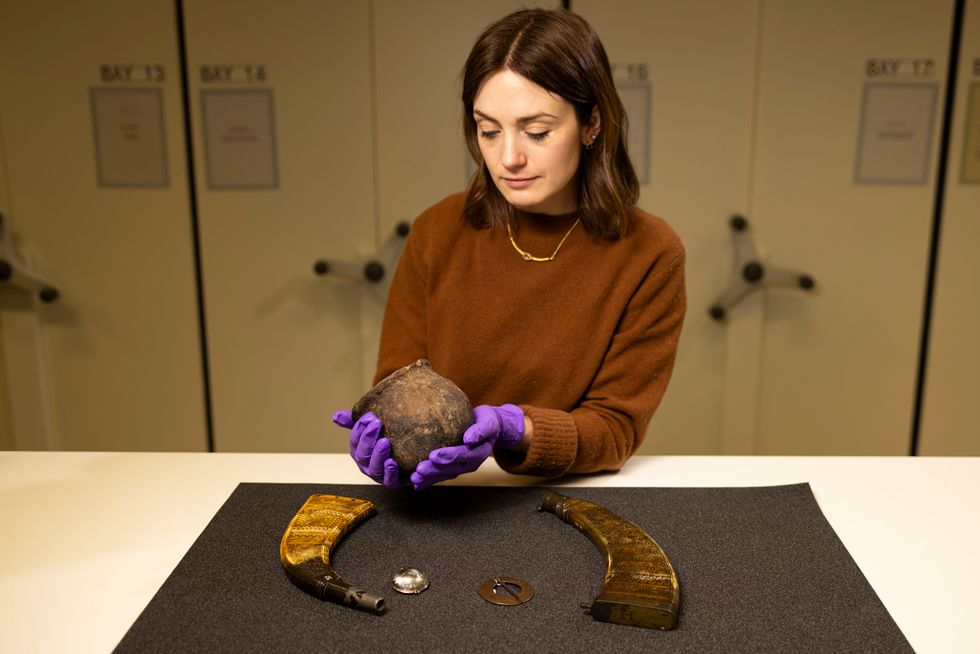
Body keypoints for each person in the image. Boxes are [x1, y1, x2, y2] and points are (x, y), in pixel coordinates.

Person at [333, 8, 685, 490]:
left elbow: (615, 429)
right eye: (488, 130)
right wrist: (384, 435)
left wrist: (515, 429)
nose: (508, 158)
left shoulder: (649, 252)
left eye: (537, 132)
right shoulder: (438, 230)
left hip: (563, 496)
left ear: (592, 124)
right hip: (446, 498)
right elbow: (401, 380)